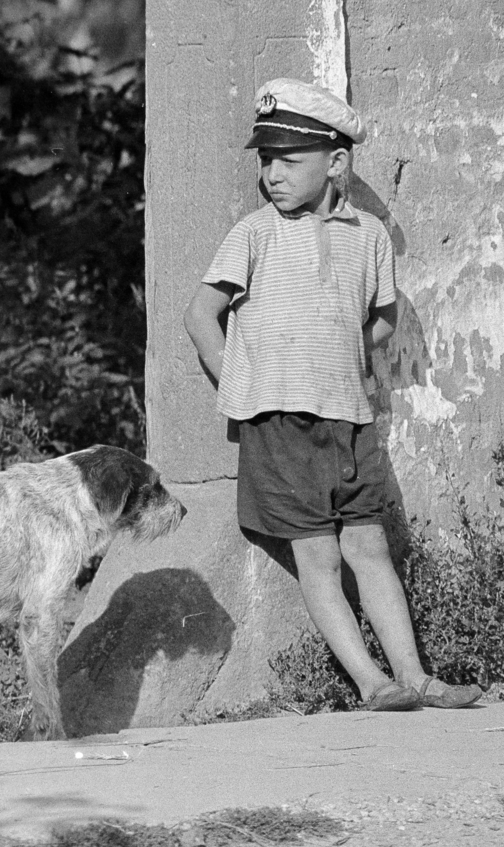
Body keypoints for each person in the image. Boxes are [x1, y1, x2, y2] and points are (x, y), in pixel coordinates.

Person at [182, 78, 482, 712]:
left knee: (369, 545)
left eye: (289, 161)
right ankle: (372, 684)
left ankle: (415, 676)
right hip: (280, 421)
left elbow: (379, 317)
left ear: (336, 163)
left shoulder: (368, 234)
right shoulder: (253, 233)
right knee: (316, 554)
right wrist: (239, 378)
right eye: (266, 160)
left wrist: (341, 357)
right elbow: (201, 315)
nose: (273, 175)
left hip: (349, 417)